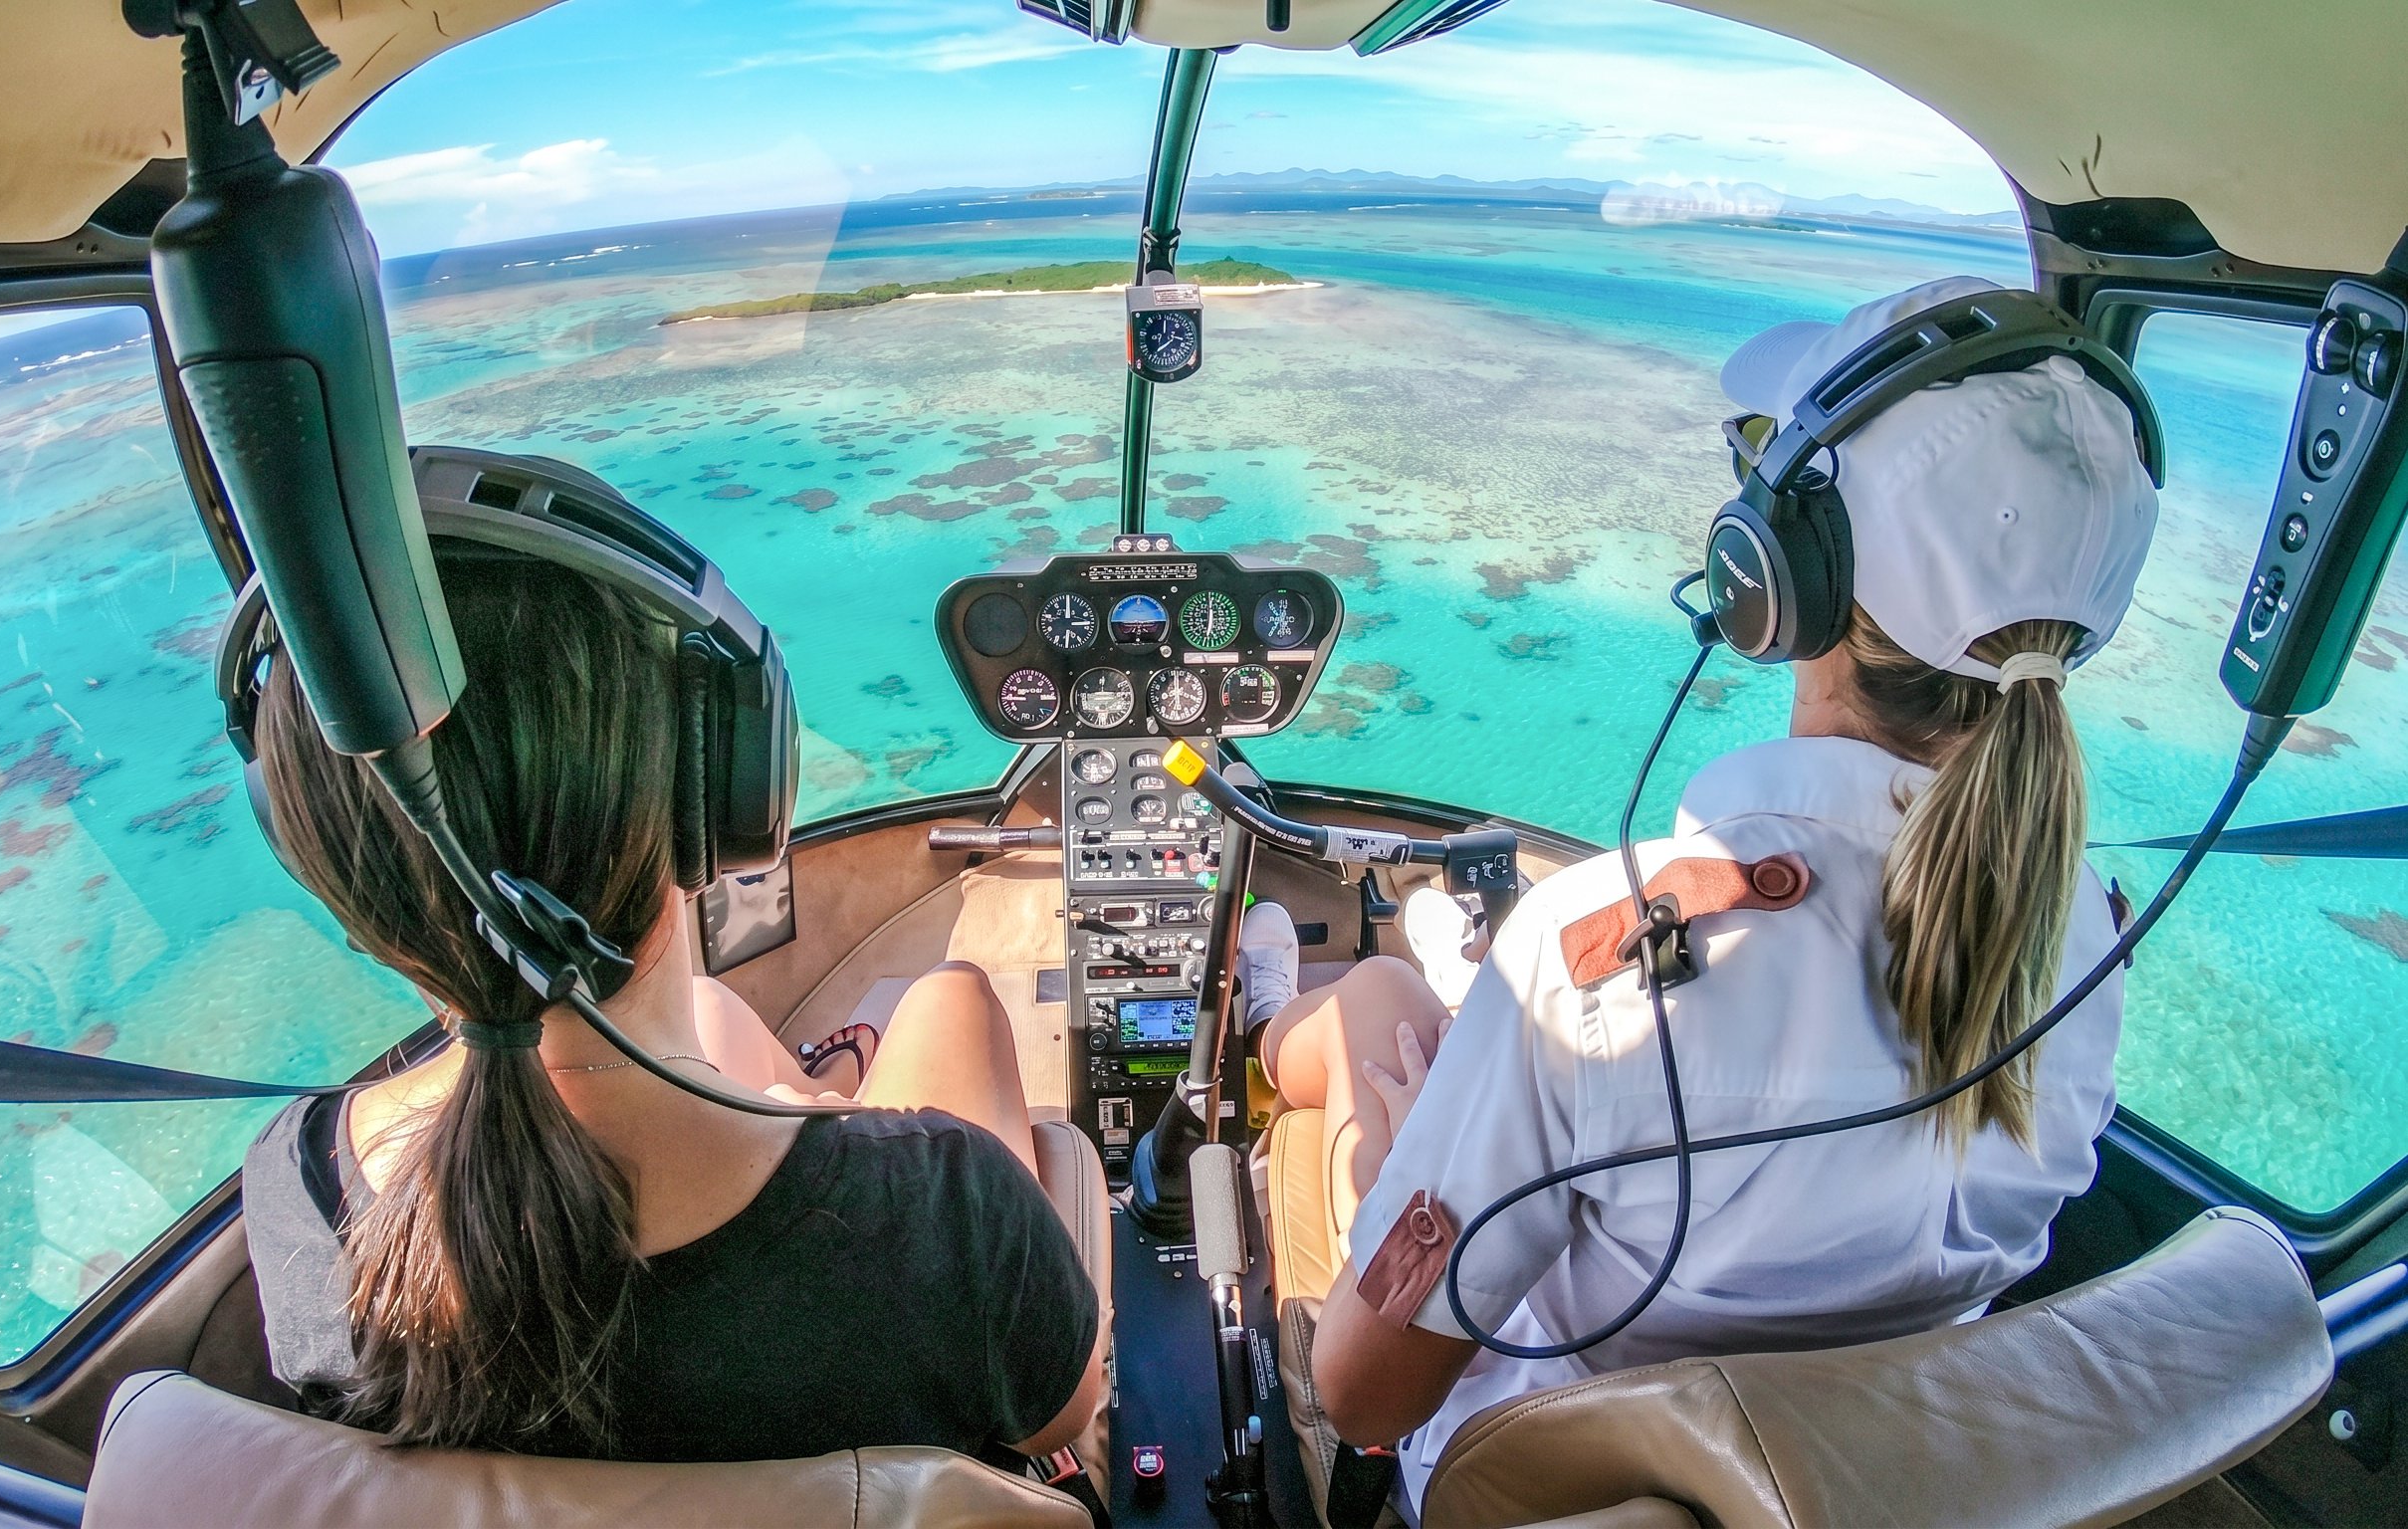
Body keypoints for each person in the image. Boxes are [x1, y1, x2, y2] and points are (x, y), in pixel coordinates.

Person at [1246, 275, 2157, 1511]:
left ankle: (1258, 1019)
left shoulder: (1597, 959)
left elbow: (1365, 1396)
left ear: (1777, 570)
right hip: (1855, 1476)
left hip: (1554, 1477)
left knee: (1373, 1010)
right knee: (1410, 1009)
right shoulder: (2084, 942)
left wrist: (1405, 1174)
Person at [242, 547, 1103, 1467]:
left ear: (351, 899)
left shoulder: (297, 1184)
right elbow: (1059, 1421)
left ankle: (820, 1087)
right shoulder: (946, 1211)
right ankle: (828, 1098)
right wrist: (859, 1156)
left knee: (714, 1013)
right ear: (714, 798)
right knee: (952, 998)